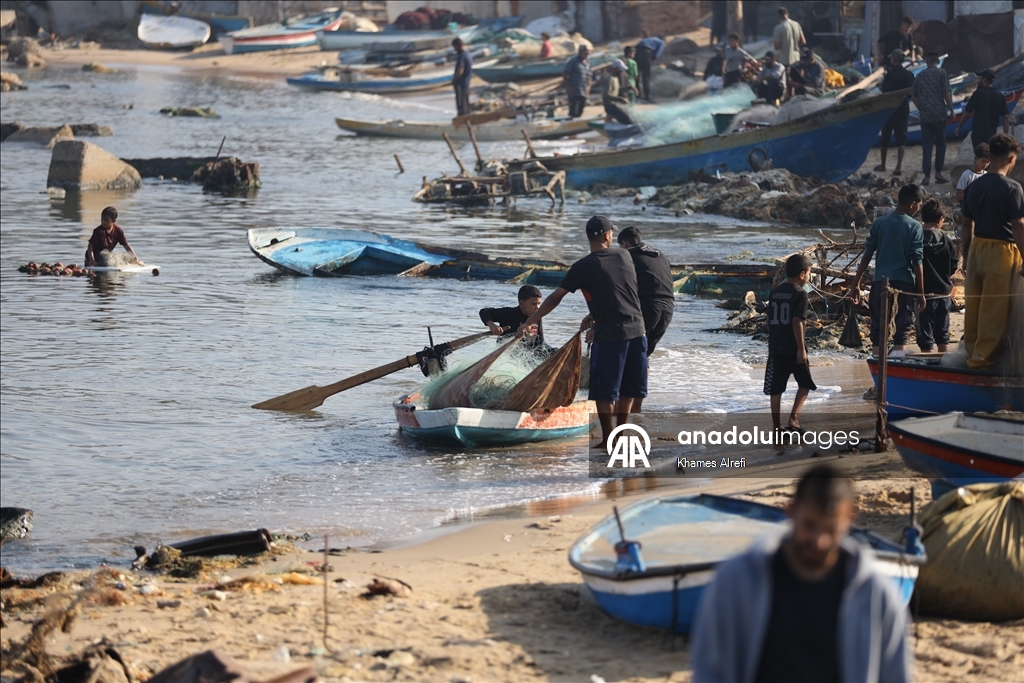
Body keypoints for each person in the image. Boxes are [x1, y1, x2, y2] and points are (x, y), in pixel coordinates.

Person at [691, 465, 913, 683]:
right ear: (790, 511)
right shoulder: (736, 581)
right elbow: (709, 669)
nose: (819, 541)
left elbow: (895, 675)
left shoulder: (876, 594)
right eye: (810, 525)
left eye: (830, 529)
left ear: (849, 522)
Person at [516, 216, 647, 449]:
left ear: (590, 237)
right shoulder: (624, 255)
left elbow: (555, 298)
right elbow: (621, 289)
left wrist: (528, 322)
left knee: (606, 393)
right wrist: (594, 313)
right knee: (628, 388)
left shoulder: (583, 266)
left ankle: (609, 439)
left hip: (610, 335)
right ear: (607, 235)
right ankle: (621, 435)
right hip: (638, 330)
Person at [961, 133, 1024, 370]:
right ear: (1010, 158)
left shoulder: (974, 186)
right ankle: (981, 362)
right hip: (1002, 250)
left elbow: (967, 224)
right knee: (995, 309)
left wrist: (966, 256)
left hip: (978, 247)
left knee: (975, 305)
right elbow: (1018, 226)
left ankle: (971, 353)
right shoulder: (1012, 188)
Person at [851, 184, 926, 358]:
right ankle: (896, 369)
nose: (918, 210)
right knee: (902, 328)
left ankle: (878, 375)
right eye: (919, 206)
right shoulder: (914, 227)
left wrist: (856, 283)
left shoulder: (880, 223)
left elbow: (867, 255)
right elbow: (917, 261)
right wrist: (921, 292)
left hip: (880, 284)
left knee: (878, 329)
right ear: (912, 204)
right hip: (904, 284)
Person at [617, 227, 674, 413]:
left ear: (624, 243)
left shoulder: (627, 256)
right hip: (668, 308)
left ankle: (623, 407)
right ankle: (636, 409)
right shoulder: (659, 254)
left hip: (649, 307)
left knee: (629, 355)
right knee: (643, 355)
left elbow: (620, 288)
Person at [764, 253, 816, 435]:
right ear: (802, 274)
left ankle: (776, 427)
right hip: (793, 348)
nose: (809, 277)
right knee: (805, 383)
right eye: (809, 273)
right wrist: (801, 349)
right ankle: (793, 419)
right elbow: (797, 322)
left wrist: (774, 339)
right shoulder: (801, 293)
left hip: (776, 347)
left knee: (776, 389)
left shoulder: (775, 291)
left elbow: (769, 320)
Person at [916, 200, 958, 353]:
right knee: (943, 334)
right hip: (944, 294)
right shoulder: (947, 241)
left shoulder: (917, 239)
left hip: (923, 295)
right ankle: (943, 364)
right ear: (940, 219)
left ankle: (927, 366)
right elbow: (954, 264)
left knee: (925, 336)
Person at [911, 51, 954, 185]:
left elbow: (914, 97)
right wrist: (951, 110)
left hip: (925, 117)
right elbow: (946, 93)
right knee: (941, 144)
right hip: (939, 114)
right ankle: (938, 173)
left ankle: (927, 176)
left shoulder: (919, 76)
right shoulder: (942, 73)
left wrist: (922, 109)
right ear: (937, 61)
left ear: (926, 62)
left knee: (927, 146)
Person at [874, 49, 915, 176]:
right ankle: (898, 167)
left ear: (895, 60)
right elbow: (911, 94)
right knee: (901, 138)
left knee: (885, 137)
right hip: (903, 108)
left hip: (890, 109)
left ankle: (883, 165)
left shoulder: (889, 75)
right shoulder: (910, 75)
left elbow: (886, 94)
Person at [479, 284, 547, 351]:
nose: (537, 307)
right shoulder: (508, 313)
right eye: (533, 304)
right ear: (522, 303)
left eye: (539, 303)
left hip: (528, 355)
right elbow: (484, 311)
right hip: (506, 354)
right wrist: (492, 325)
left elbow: (540, 341)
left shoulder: (537, 317)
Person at [955, 69, 1010, 150]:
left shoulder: (978, 94)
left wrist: (959, 127)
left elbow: (967, 113)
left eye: (979, 78)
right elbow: (1006, 117)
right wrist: (1005, 135)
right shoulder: (1000, 96)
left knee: (980, 159)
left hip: (979, 137)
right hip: (992, 137)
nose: (978, 81)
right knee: (989, 159)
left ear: (984, 80)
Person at [563, 45, 592, 118]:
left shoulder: (588, 63)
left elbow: (589, 76)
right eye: (585, 51)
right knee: (573, 111)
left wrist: (588, 87)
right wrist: (569, 87)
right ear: (580, 52)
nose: (587, 53)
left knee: (580, 111)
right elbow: (565, 73)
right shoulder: (574, 61)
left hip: (583, 91)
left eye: (588, 51)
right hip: (574, 91)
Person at [601, 60, 633, 125]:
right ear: (615, 69)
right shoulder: (609, 79)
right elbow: (606, 95)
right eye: (620, 70)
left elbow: (617, 90)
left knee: (631, 116)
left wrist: (629, 87)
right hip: (610, 106)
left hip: (615, 105)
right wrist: (620, 99)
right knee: (628, 120)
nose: (622, 72)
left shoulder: (615, 77)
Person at [635, 33, 665, 102]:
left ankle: (637, 95)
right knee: (646, 75)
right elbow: (657, 54)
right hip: (645, 52)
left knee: (637, 75)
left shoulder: (651, 39)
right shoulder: (661, 42)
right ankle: (647, 96)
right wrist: (653, 60)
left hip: (636, 51)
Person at [451, 38, 473, 117]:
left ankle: (462, 119)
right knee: (466, 102)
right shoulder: (468, 54)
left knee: (461, 102)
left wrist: (454, 79)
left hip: (461, 83)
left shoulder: (462, 55)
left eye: (455, 47)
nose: (455, 49)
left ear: (458, 45)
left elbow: (461, 69)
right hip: (466, 82)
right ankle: (467, 116)